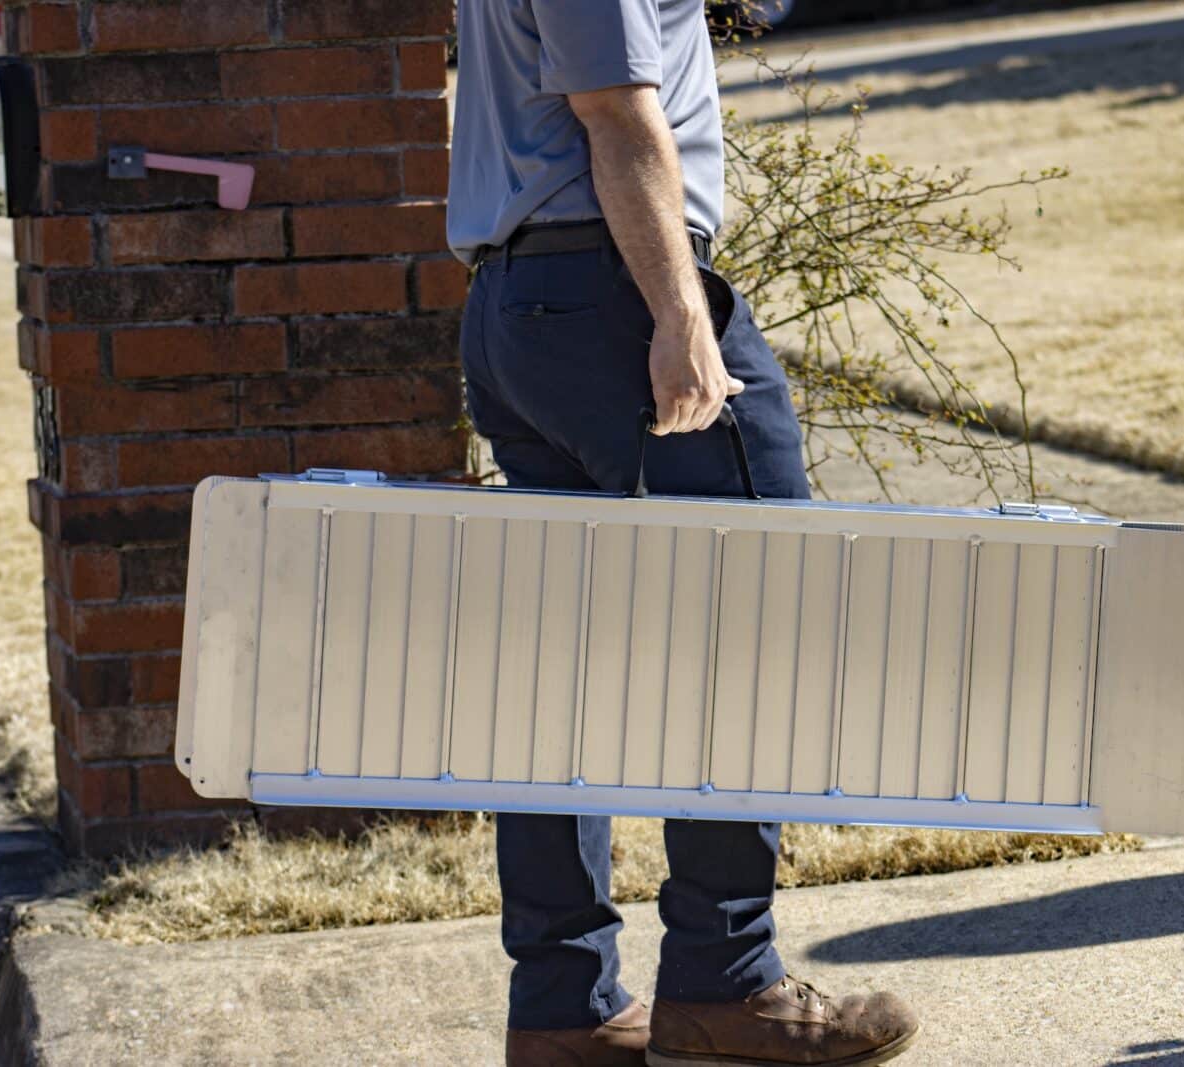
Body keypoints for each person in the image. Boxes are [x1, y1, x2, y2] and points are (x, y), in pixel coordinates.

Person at [448, 2, 921, 1065]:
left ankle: (564, 1005)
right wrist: (678, 313)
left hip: (521, 301)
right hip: (611, 288)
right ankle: (726, 976)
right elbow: (613, 111)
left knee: (559, 672)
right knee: (758, 618)